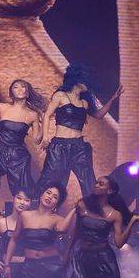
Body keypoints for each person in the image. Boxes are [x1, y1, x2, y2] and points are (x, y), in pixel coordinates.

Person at [38, 65, 118, 196]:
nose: (88, 85)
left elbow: (98, 115)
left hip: (79, 147)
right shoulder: (60, 96)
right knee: (51, 182)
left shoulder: (84, 102)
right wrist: (45, 137)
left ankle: (93, 207)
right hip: (60, 146)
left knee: (89, 183)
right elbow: (47, 115)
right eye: (86, 81)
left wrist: (112, 99)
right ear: (77, 80)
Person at [0, 79, 44, 213]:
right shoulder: (2, 107)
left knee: (21, 186)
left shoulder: (32, 114)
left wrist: (44, 124)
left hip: (18, 154)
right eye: (16, 87)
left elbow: (36, 140)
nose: (20, 89)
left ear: (27, 92)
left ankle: (18, 212)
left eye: (23, 87)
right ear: (11, 92)